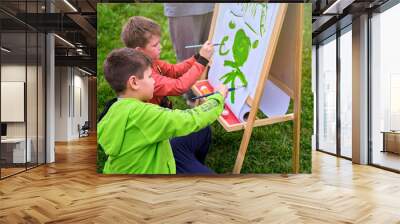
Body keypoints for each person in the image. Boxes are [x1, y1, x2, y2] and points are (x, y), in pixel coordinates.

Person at [98, 48, 227, 174]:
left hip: (155, 158)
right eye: (150, 76)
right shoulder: (145, 115)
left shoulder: (115, 107)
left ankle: (192, 164)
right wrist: (218, 98)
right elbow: (189, 119)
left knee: (202, 131)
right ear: (134, 82)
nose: (154, 80)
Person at [120, 16, 212, 108]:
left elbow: (175, 70)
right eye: (155, 45)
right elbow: (179, 86)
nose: (160, 47)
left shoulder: (150, 61)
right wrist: (202, 61)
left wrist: (197, 57)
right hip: (152, 117)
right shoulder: (144, 77)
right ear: (140, 51)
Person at [164, 3, 215, 107]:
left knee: (211, 51)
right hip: (183, 7)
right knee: (188, 56)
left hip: (213, 6)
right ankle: (192, 97)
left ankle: (207, 91)